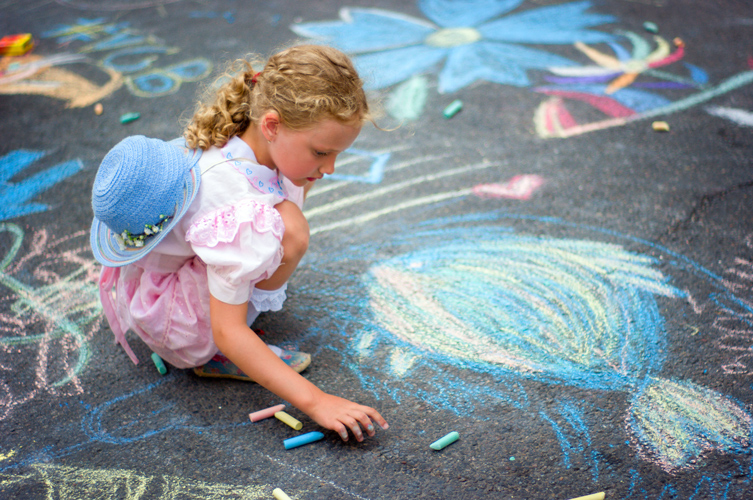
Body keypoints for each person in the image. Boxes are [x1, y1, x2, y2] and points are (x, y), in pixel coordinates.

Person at [91, 44, 388, 442]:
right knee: (291, 230)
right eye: (321, 152)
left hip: (166, 280)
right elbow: (228, 329)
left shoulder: (251, 142)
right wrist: (318, 402)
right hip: (174, 324)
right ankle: (210, 355)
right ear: (271, 125)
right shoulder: (234, 199)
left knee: (286, 220)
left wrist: (304, 172)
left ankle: (237, 303)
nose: (330, 168)